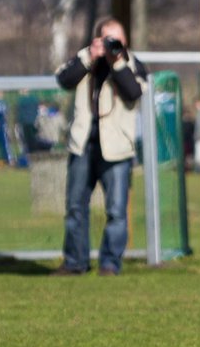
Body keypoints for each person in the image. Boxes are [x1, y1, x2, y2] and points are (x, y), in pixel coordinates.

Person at [52, 16, 148, 276]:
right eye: (107, 39)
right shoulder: (86, 59)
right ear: (97, 40)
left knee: (116, 210)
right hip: (83, 143)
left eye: (117, 39)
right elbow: (64, 79)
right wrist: (88, 57)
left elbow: (134, 93)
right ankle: (75, 262)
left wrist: (117, 64)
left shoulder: (132, 64)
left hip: (117, 147)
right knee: (75, 207)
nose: (112, 44)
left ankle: (109, 264)